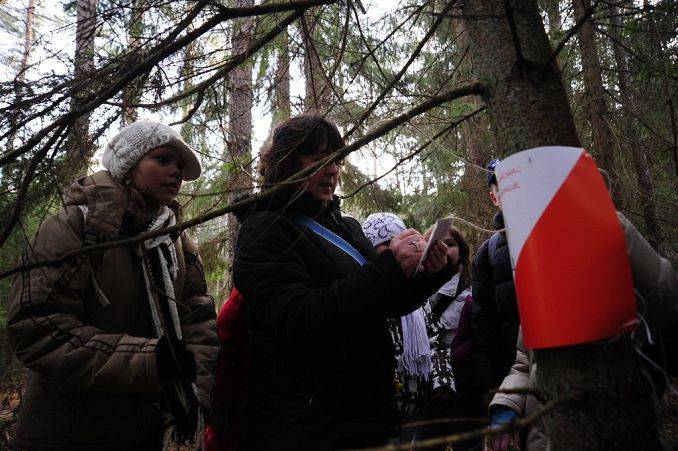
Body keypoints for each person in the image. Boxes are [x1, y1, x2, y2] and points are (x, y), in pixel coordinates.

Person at [232, 113, 452, 450]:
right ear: (288, 163)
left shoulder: (345, 227)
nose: (333, 170)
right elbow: (299, 317)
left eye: (336, 159)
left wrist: (426, 273)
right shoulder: (264, 230)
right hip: (309, 423)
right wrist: (389, 267)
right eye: (319, 159)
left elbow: (384, 302)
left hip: (363, 414)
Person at [6, 121, 218, 450]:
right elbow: (36, 328)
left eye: (179, 165)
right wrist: (150, 361)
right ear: (127, 166)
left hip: (146, 432)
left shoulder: (176, 241)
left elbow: (199, 323)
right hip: (66, 433)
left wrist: (194, 393)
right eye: (162, 160)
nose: (175, 172)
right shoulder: (74, 228)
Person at [486, 213, 678, 451]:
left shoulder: (610, 254)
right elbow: (526, 361)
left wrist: (612, 225)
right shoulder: (539, 290)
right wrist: (507, 402)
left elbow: (666, 301)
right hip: (543, 440)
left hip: (614, 430)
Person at [362, 213, 474, 449]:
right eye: (386, 247)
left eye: (403, 242)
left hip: (419, 404)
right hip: (381, 409)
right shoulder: (367, 296)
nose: (398, 251)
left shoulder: (417, 298)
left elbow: (435, 340)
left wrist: (442, 382)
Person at [470, 158, 519, 411]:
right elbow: (483, 324)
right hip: (514, 379)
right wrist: (490, 388)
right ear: (494, 198)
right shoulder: (487, 254)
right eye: (504, 188)